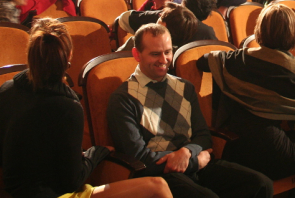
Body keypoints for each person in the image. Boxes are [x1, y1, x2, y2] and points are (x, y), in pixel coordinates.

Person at [0, 18, 172, 198]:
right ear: (68, 56)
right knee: (157, 186)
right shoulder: (67, 107)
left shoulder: (4, 91)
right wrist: (95, 152)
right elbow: (72, 181)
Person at [107, 24, 273, 198]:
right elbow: (138, 156)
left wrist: (187, 153)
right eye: (155, 53)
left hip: (192, 161)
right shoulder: (123, 99)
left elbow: (203, 135)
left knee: (261, 184)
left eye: (168, 52)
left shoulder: (185, 87)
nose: (163, 59)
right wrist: (194, 161)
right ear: (137, 55)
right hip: (160, 175)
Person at [197, 5, 295, 195]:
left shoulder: (237, 58)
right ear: (292, 34)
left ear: (260, 30)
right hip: (274, 154)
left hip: (235, 147)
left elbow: (203, 61)